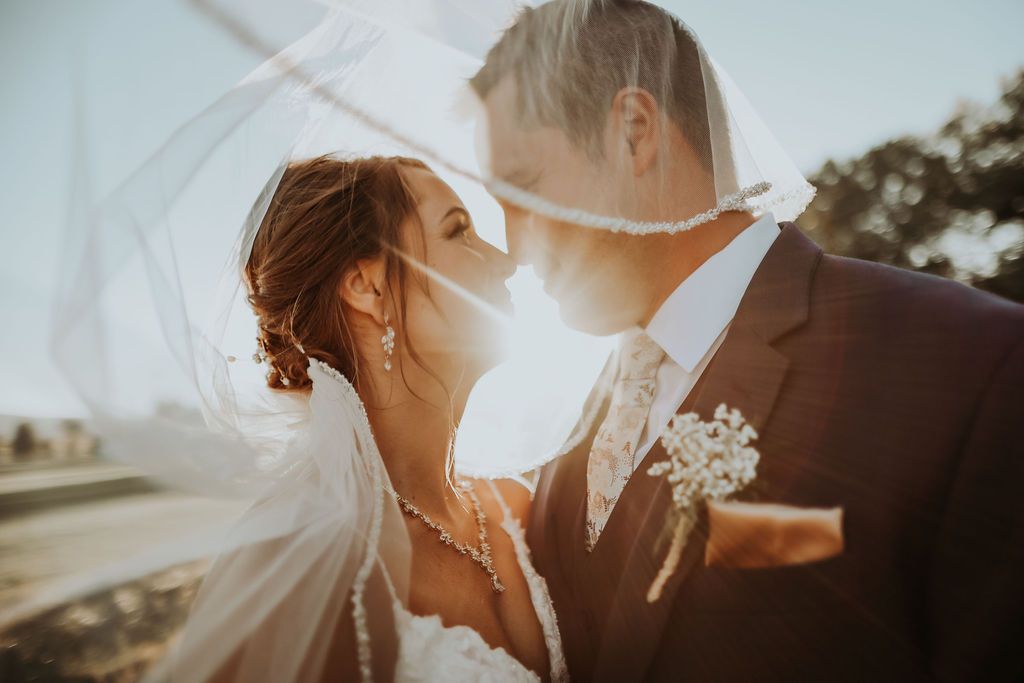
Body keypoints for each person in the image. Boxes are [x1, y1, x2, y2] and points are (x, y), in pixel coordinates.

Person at [471, 1, 1024, 681]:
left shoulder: (971, 367)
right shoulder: (569, 446)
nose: (514, 247)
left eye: (524, 189)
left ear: (634, 133)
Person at [161, 155, 566, 682]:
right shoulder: (300, 564)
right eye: (459, 230)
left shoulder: (519, 507)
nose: (505, 260)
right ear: (368, 289)